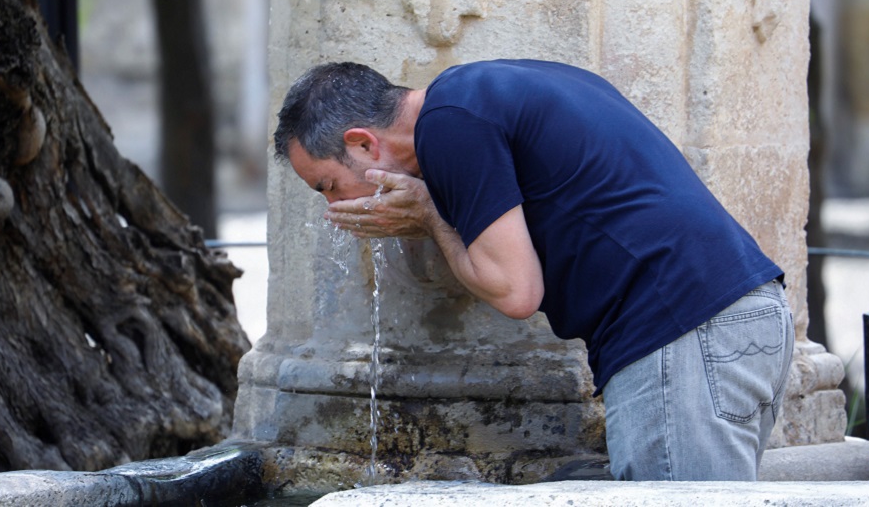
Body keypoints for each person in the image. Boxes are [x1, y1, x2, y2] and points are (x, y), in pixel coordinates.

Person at [273, 59, 795, 481]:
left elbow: (516, 292)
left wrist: (431, 216)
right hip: (746, 313)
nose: (333, 207)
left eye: (329, 186)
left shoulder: (449, 124)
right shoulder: (492, 89)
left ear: (363, 144)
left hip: (678, 334)